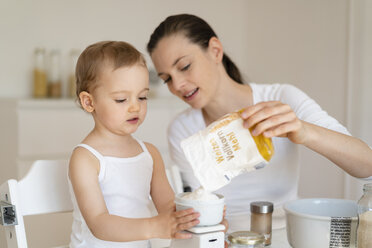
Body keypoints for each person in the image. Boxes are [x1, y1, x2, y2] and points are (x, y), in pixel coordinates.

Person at [146, 14, 372, 231]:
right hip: (225, 238)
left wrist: (304, 131)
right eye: (167, 79)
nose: (177, 85)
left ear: (215, 51)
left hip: (285, 233)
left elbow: (367, 165)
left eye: (184, 67)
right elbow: (200, 202)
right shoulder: (182, 130)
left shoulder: (281, 98)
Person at [68, 40, 201, 247]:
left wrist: (197, 214)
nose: (135, 108)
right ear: (89, 102)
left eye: (142, 97)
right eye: (121, 100)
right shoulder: (85, 158)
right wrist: (154, 227)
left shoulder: (149, 153)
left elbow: (168, 207)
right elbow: (99, 223)